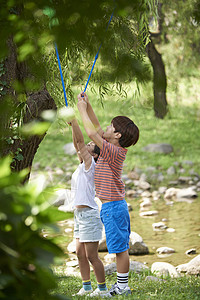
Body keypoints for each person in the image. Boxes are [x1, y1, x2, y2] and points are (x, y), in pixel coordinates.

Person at [77, 92, 139, 296]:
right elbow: (96, 129)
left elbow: (92, 133)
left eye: (112, 126)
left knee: (120, 249)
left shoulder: (114, 152)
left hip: (114, 207)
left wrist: (80, 110)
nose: (107, 128)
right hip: (111, 207)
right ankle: (121, 286)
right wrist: (89, 105)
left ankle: (122, 287)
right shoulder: (111, 148)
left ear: (118, 135)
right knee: (118, 246)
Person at [68, 118, 110, 297]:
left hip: (89, 216)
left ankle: (102, 290)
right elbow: (76, 143)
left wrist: (75, 121)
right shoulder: (83, 164)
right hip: (79, 214)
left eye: (91, 145)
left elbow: (79, 143)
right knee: (79, 254)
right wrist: (72, 127)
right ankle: (86, 287)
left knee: (92, 256)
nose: (87, 144)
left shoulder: (90, 166)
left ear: (94, 155)